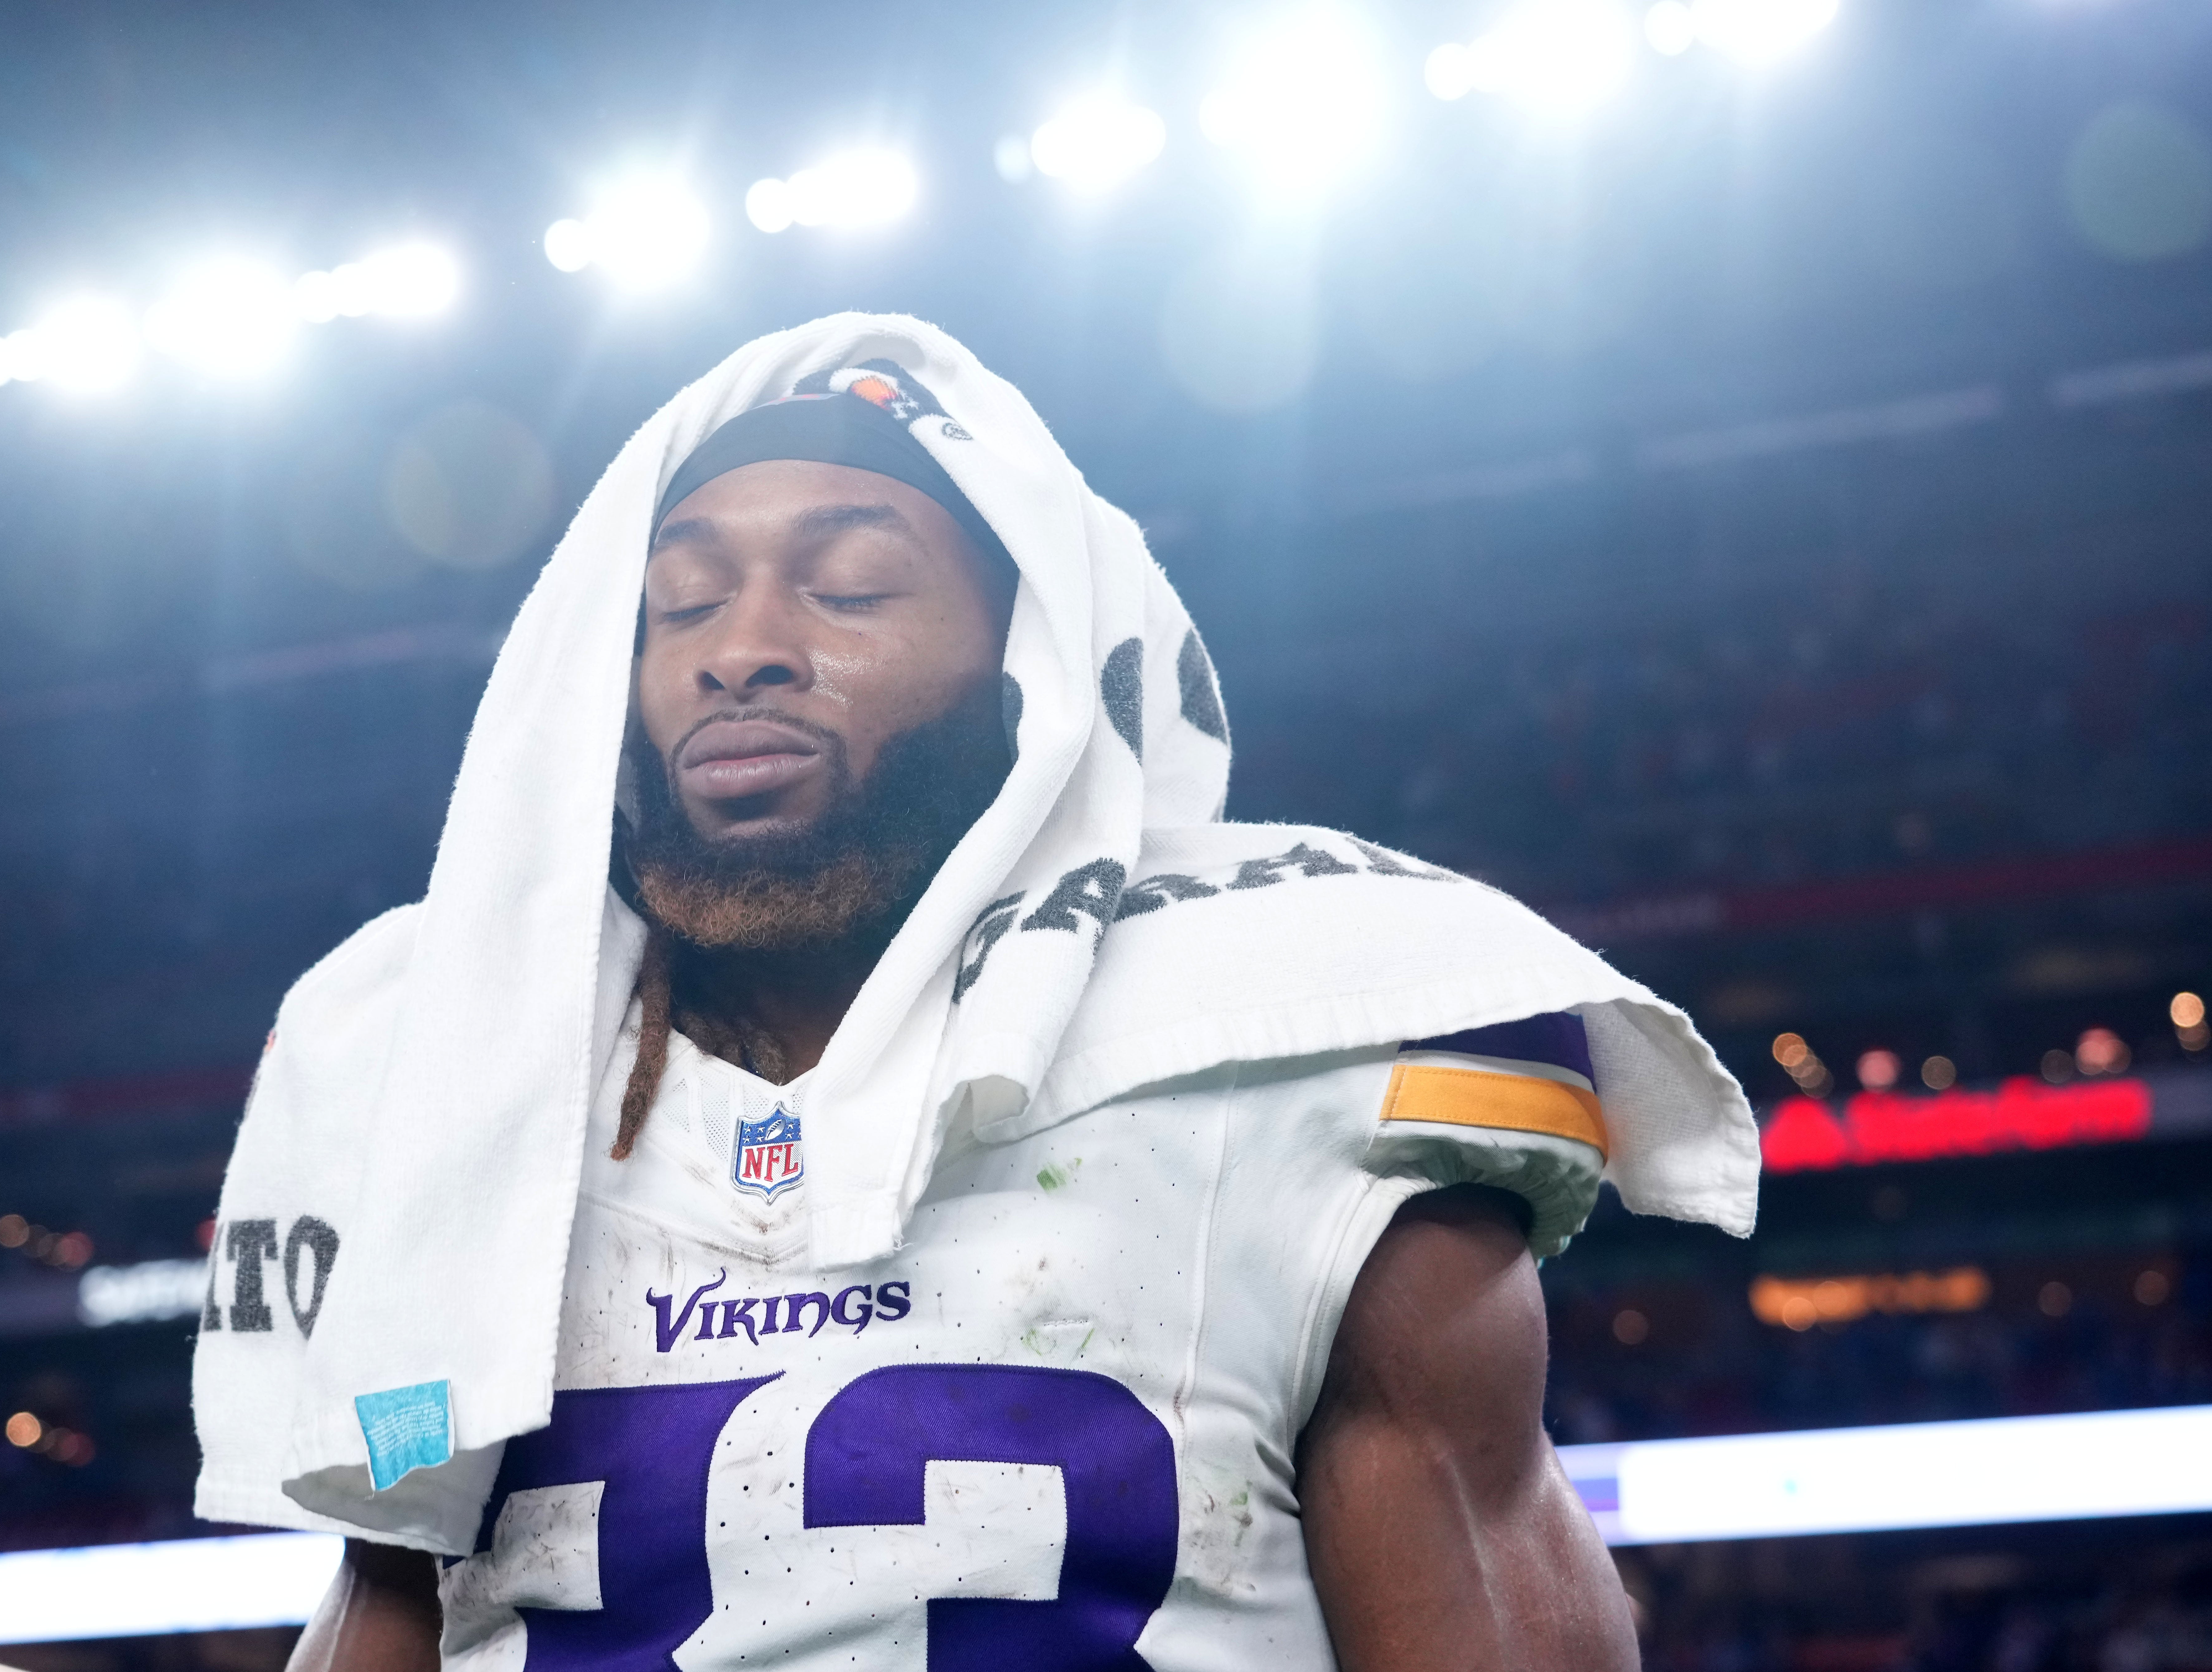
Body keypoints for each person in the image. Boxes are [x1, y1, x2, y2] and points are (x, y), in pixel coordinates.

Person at [192, 316, 1759, 1671]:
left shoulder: (1296, 1027)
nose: (741, 649)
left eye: (850, 587)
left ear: (1038, 676)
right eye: (676, 606)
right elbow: (386, 1603)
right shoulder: (440, 1071)